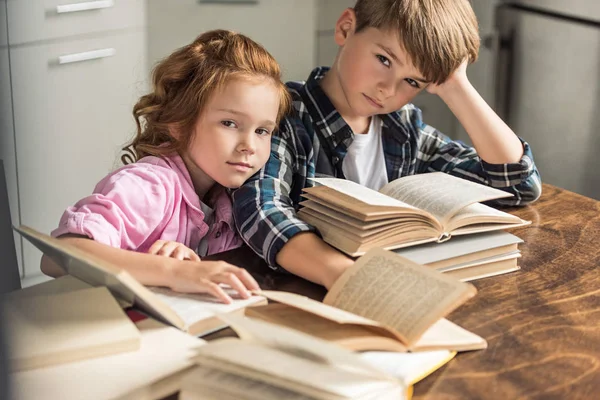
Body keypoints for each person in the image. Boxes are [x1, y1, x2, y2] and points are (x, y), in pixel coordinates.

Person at [233, 0, 542, 289]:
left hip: (398, 283)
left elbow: (517, 184)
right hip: (311, 290)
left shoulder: (403, 128)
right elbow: (261, 209)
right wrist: (344, 274)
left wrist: (457, 87)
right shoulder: (284, 116)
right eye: (384, 60)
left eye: (412, 82)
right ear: (345, 29)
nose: (387, 89)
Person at [41, 29, 291, 303]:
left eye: (262, 131)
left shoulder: (229, 199)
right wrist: (172, 271)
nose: (249, 145)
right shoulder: (149, 185)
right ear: (179, 123)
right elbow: (57, 255)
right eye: (229, 123)